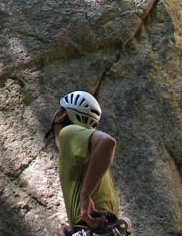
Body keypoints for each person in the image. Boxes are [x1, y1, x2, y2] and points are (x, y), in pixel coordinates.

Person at [46, 90, 130, 236]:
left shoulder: (68, 132)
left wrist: (85, 197)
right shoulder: (85, 152)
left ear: (63, 115)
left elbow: (107, 142)